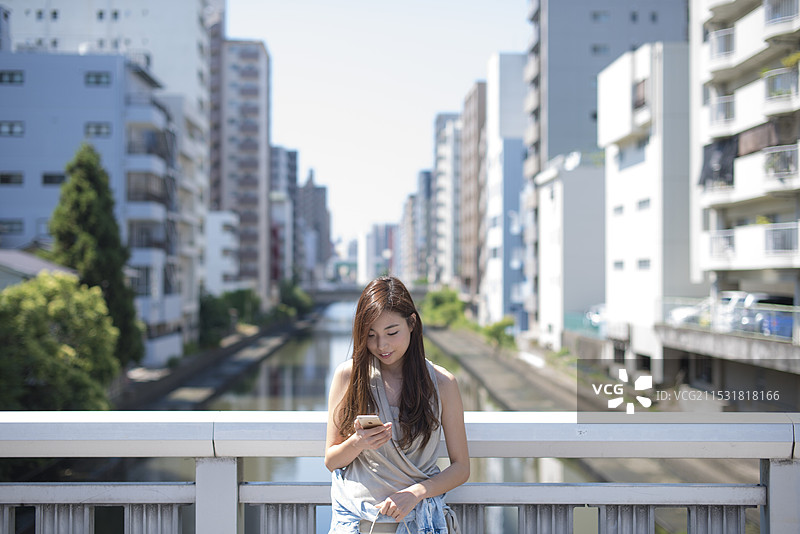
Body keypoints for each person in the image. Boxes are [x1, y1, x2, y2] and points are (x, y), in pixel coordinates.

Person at [325, 276, 469, 534]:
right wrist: (359, 442)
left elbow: (461, 468)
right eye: (371, 335)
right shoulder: (348, 376)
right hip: (359, 523)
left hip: (419, 522)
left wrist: (416, 492)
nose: (382, 345)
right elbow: (332, 460)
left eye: (392, 333)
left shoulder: (442, 383)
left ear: (412, 323)